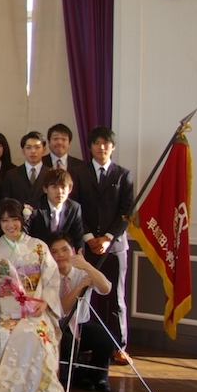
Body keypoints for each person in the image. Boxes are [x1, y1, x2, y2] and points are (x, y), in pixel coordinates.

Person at [0, 198, 65, 392]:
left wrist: (44, 302)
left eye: (14, 219)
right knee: (24, 332)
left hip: (36, 306)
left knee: (40, 334)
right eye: (5, 221)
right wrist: (1, 290)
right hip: (9, 309)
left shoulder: (38, 246)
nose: (11, 225)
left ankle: (47, 390)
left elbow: (51, 280)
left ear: (22, 220)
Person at [69, 126, 135, 355]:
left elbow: (127, 213)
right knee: (81, 294)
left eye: (106, 143)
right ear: (90, 147)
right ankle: (80, 343)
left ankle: (119, 346)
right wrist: (88, 238)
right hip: (85, 247)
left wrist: (107, 238)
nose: (101, 147)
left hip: (114, 248)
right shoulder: (78, 172)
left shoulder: (123, 174)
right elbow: (74, 208)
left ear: (113, 147)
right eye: (96, 143)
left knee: (116, 298)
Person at [47, 231, 113, 392]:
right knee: (67, 342)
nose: (60, 255)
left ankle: (98, 376)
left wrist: (87, 266)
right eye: (54, 252)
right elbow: (62, 310)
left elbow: (106, 288)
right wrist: (79, 287)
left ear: (73, 250)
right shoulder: (48, 276)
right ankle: (77, 376)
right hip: (58, 326)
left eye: (64, 250)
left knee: (104, 338)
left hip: (81, 324)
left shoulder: (82, 270)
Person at [28, 168, 85, 251]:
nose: (59, 191)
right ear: (45, 189)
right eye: (54, 187)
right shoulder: (33, 207)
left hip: (62, 254)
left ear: (70, 189)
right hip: (37, 252)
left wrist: (79, 255)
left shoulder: (74, 208)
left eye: (63, 187)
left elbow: (78, 238)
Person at [0, 131, 49, 205]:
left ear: (44, 150)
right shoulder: (11, 175)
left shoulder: (51, 174)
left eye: (37, 147)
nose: (33, 151)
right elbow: (6, 202)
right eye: (28, 148)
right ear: (23, 151)